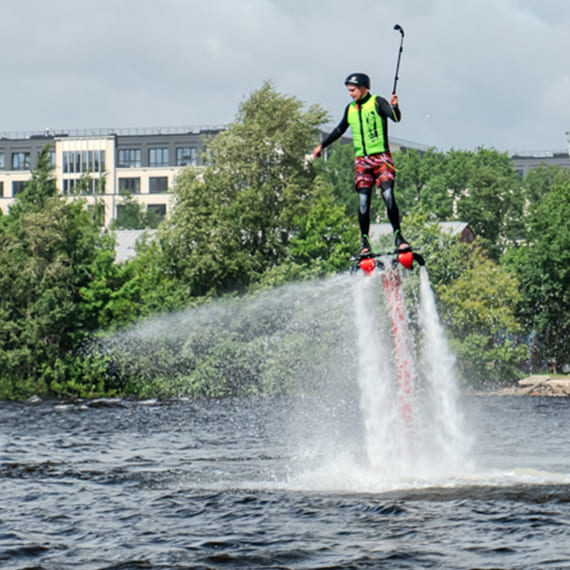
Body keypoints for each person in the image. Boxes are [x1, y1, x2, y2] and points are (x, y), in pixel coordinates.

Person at [313, 73, 408, 254]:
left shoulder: (377, 102)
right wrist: (322, 146)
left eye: (353, 90)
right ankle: (364, 241)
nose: (351, 94)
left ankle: (398, 236)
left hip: (381, 158)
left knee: (388, 196)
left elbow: (395, 118)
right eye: (349, 90)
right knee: (364, 201)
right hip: (362, 161)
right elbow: (340, 129)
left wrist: (395, 107)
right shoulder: (350, 109)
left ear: (364, 88)